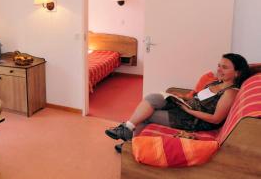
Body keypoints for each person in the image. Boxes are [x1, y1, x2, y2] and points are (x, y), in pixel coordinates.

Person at [105, 53, 251, 153]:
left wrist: (189, 111)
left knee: (148, 115)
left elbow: (216, 119)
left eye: (224, 67)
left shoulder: (230, 92)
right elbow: (199, 98)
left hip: (194, 119)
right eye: (219, 65)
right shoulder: (216, 82)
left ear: (237, 73)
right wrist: (181, 96)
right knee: (154, 97)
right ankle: (128, 128)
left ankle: (130, 143)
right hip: (187, 107)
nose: (219, 69)